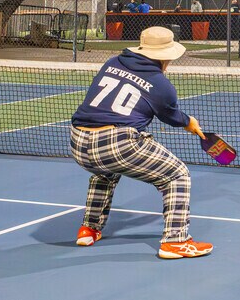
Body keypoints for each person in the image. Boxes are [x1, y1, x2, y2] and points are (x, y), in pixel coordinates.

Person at [70, 26, 213, 259]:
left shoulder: (112, 62)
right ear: (166, 56)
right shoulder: (161, 85)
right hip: (117, 144)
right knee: (178, 175)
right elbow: (171, 116)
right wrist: (189, 122)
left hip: (78, 142)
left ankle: (89, 229)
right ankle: (175, 241)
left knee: (105, 172)